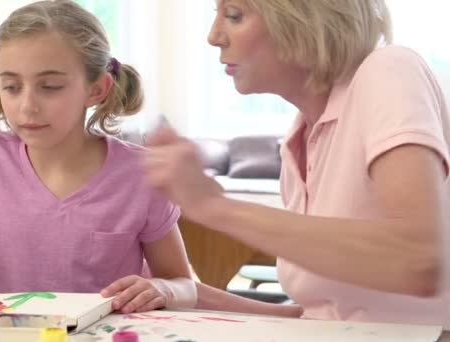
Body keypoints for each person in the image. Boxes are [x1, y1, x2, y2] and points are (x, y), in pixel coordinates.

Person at [143, 0, 450, 328]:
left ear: (304, 17)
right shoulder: (299, 139)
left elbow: (416, 260)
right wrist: (187, 294)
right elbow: (324, 317)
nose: (214, 36)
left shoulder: (388, 69)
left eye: (234, 15)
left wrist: (214, 206)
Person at [0, 0, 197, 315]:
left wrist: (162, 288)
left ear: (97, 89)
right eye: (11, 87)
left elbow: (183, 285)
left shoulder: (142, 174)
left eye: (50, 87)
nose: (27, 106)